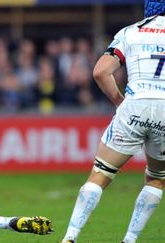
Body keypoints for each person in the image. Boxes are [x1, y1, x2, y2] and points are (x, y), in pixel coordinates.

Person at [62, 1, 165, 242]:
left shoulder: (131, 31)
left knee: (100, 174)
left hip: (134, 104)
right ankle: (129, 240)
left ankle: (70, 237)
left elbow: (100, 72)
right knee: (156, 179)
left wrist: (120, 101)